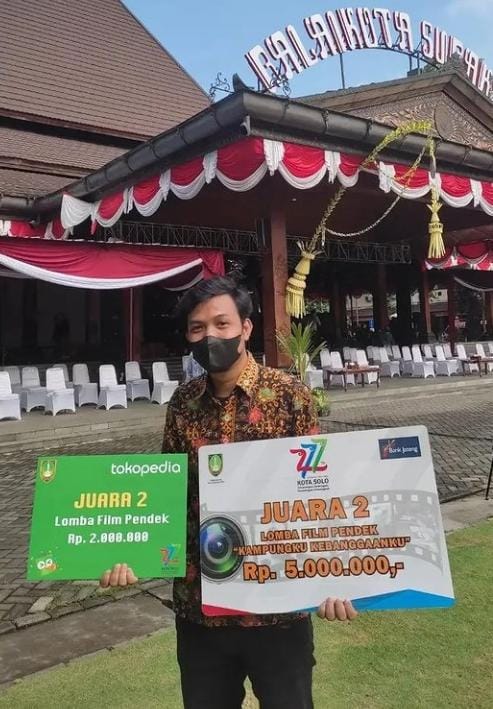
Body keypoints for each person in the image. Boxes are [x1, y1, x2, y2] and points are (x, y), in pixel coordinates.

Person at [100, 276, 357, 709]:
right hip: (201, 610)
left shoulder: (290, 397)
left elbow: (318, 495)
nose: (210, 336)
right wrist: (130, 552)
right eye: (197, 328)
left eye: (222, 324)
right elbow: (169, 495)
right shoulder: (183, 404)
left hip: (278, 609)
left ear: (246, 328)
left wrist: (336, 578)